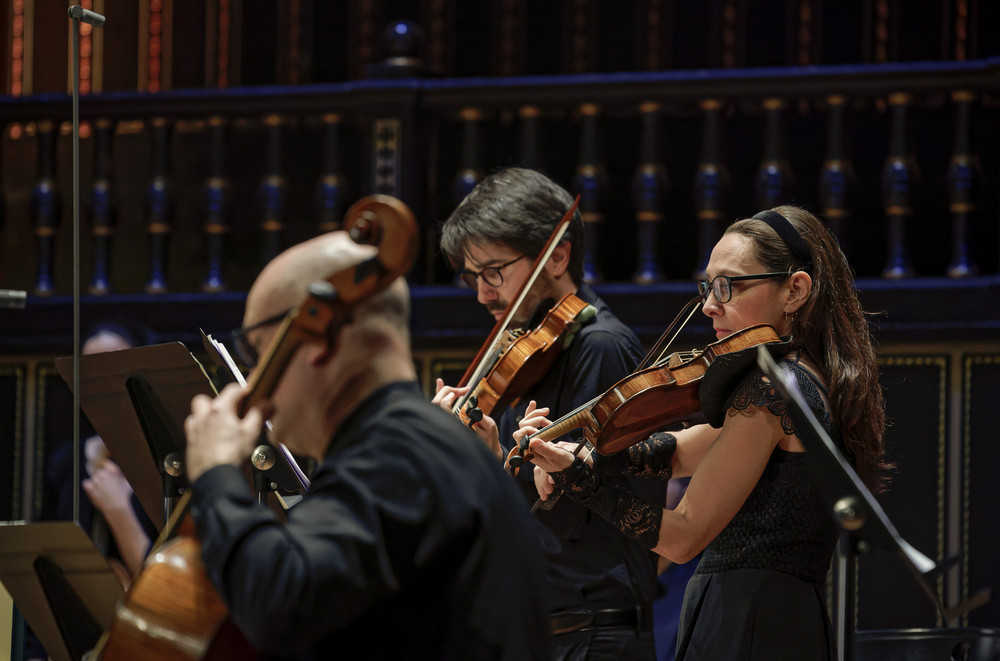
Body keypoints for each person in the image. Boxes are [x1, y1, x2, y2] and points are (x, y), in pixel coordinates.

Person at [520, 206, 888, 660]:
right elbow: (675, 452)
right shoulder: (807, 383)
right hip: (781, 618)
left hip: (747, 622)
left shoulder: (771, 389)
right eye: (708, 286)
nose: (709, 304)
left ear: (795, 290)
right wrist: (579, 452)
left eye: (727, 286)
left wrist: (584, 483)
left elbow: (683, 536)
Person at [182, 230, 550, 659]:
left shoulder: (397, 453)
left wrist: (215, 473)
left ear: (319, 341)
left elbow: (281, 603)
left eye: (258, 349)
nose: (255, 380)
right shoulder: (417, 442)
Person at [433, 168, 659, 659]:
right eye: (473, 277)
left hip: (591, 634)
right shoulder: (529, 355)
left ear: (556, 256)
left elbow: (571, 514)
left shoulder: (600, 347)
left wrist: (489, 465)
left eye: (494, 272)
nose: (482, 293)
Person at [27, 324, 157, 661]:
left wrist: (117, 511)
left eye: (113, 367)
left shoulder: (172, 464)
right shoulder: (65, 462)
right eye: (88, 373)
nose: (100, 384)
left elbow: (171, 591)